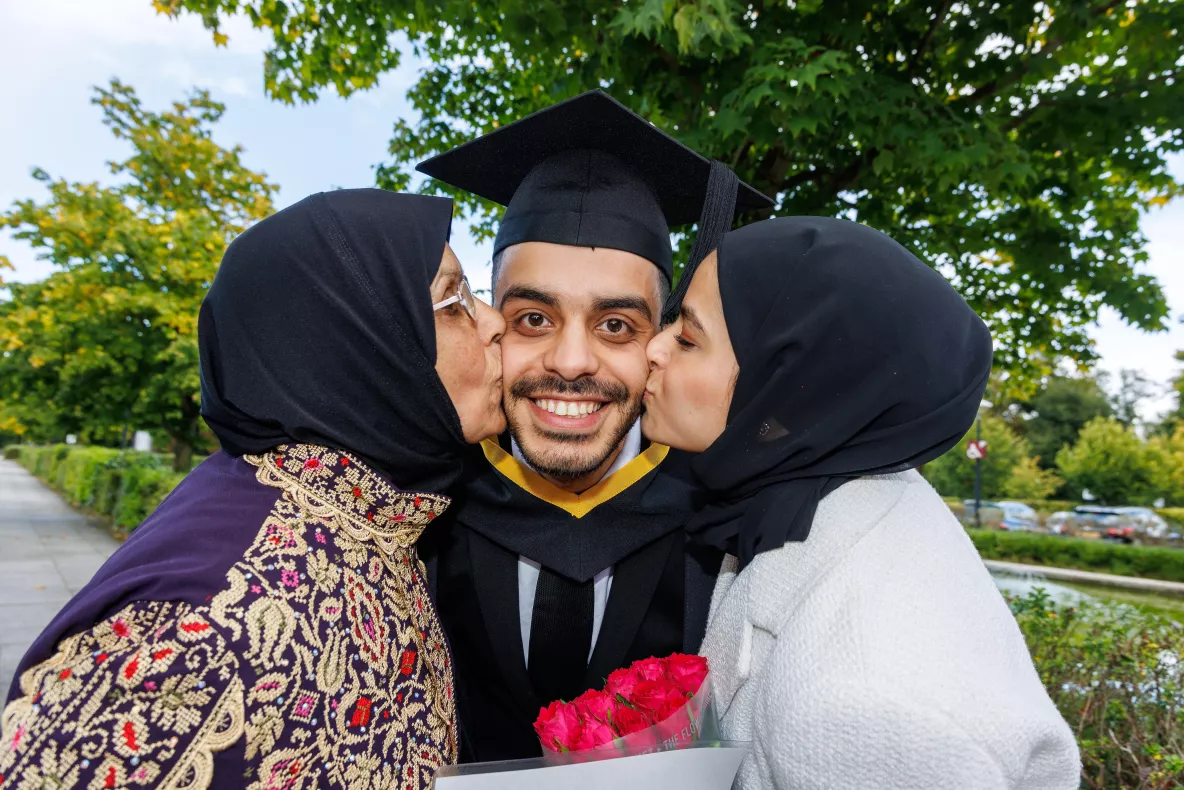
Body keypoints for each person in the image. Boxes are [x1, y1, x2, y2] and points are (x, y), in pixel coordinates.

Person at [0, 189, 507, 790]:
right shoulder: (209, 622)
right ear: (354, 346)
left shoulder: (379, 521)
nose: (494, 319)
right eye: (452, 300)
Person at [642, 216, 1081, 790]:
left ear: (791, 376)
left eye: (687, 337)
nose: (652, 347)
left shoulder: (872, 704)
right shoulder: (797, 497)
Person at [414, 90, 773, 762]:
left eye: (616, 326)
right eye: (533, 319)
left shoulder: (730, 522)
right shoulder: (419, 504)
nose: (572, 364)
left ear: (663, 340)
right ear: (490, 323)